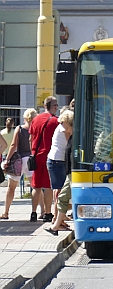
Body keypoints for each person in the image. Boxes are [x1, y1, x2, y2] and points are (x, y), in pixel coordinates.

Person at [28, 96, 60, 222]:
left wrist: (33, 151)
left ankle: (33, 213)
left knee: (36, 186)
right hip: (49, 156)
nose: (57, 107)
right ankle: (47, 213)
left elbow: (30, 138)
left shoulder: (35, 119)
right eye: (55, 105)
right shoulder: (55, 121)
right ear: (51, 106)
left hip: (36, 156)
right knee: (47, 186)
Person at [1, 109, 37, 220]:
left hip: (19, 160)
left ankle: (6, 212)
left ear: (25, 118)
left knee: (11, 188)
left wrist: (7, 160)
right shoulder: (36, 129)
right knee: (36, 187)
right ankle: (40, 211)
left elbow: (13, 145)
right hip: (31, 160)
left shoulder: (20, 129)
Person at [46, 105, 74, 235]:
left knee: (60, 192)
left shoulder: (64, 128)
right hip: (58, 161)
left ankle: (58, 221)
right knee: (59, 192)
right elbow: (69, 147)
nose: (63, 126)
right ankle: (57, 220)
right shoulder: (64, 129)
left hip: (57, 161)